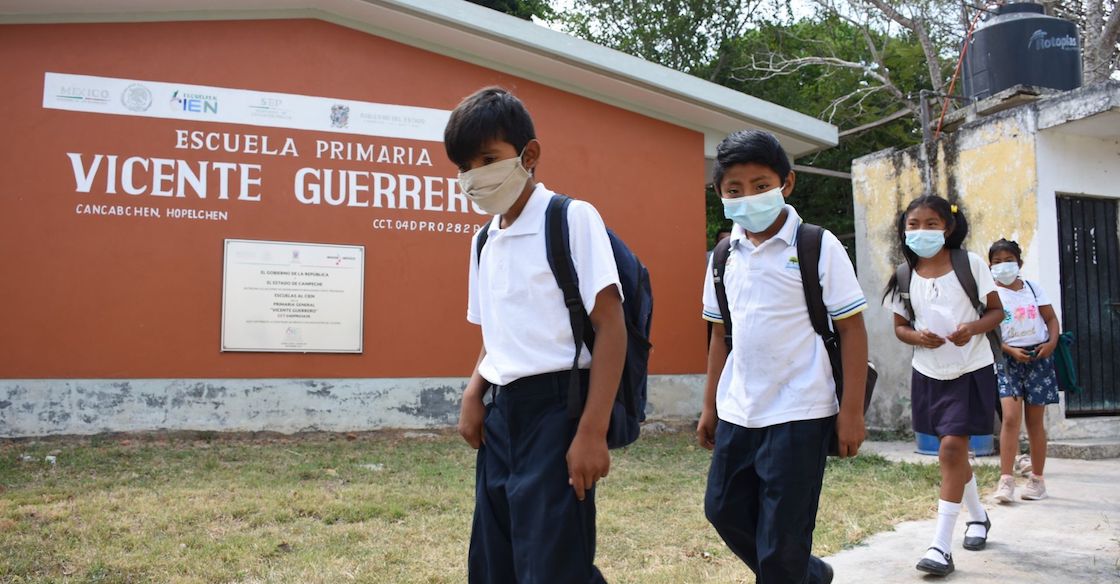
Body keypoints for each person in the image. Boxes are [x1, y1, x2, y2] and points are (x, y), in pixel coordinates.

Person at [448, 87, 627, 584]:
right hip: (503, 415)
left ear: (529, 155)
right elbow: (496, 333)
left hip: (559, 409)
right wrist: (473, 392)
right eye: (465, 165)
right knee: (493, 559)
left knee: (553, 562)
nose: (474, 176)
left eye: (488, 158)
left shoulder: (570, 218)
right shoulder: (483, 240)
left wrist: (591, 432)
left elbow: (611, 326)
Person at [697, 129, 869, 584]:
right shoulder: (722, 257)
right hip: (740, 409)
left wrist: (850, 412)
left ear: (786, 184)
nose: (748, 197)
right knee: (722, 508)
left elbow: (852, 329)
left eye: (760, 185)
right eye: (734, 189)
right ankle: (806, 575)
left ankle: (791, 570)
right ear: (719, 193)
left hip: (801, 410)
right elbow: (720, 336)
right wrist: (710, 404)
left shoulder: (816, 245)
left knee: (782, 540)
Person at [882, 195, 1003, 577]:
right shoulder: (904, 274)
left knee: (951, 448)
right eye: (913, 224)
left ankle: (940, 546)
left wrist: (972, 328)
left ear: (948, 228)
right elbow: (900, 328)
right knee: (952, 454)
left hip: (971, 369)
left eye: (931, 224)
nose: (921, 231)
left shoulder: (971, 265)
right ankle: (979, 517)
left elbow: (997, 311)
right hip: (929, 373)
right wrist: (917, 337)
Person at [989, 238, 1059, 503]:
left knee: (1034, 422)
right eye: (997, 262)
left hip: (1038, 358)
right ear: (990, 266)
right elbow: (991, 333)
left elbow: (1051, 319)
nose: (1003, 266)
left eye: (1008, 261)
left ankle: (1037, 479)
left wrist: (1051, 343)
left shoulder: (1032, 288)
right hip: (1008, 361)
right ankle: (1006, 479)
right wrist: (1009, 350)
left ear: (1019, 263)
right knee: (1009, 418)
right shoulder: (991, 295)